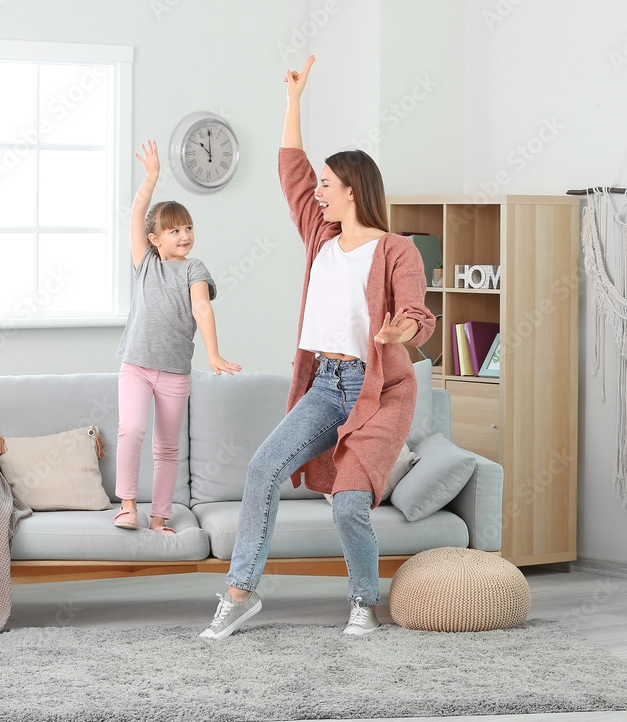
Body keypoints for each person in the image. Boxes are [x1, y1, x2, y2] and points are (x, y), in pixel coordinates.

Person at [200, 55, 435, 639]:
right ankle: (239, 593)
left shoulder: (397, 250)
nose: (320, 193)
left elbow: (417, 312)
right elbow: (291, 170)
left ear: (352, 190)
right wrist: (294, 101)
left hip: (378, 391)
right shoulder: (320, 237)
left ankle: (363, 602)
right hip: (324, 386)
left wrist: (400, 331)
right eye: (321, 187)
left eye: (329, 186)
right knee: (262, 469)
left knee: (350, 504)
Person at [113, 140, 241, 535]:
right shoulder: (145, 263)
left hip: (174, 373)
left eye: (188, 227)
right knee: (131, 430)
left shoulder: (194, 269)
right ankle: (128, 506)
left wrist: (213, 355)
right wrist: (151, 178)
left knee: (167, 448)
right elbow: (137, 213)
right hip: (136, 365)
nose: (184, 235)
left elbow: (202, 309)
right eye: (174, 230)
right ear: (155, 239)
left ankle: (159, 517)